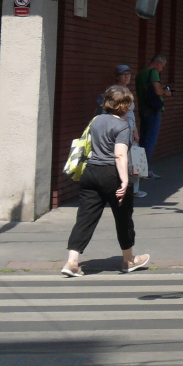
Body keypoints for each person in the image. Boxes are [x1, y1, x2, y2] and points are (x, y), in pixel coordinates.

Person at [62, 85, 149, 277]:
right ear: (124, 105)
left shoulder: (95, 121)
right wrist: (125, 181)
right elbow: (120, 155)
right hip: (112, 175)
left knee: (85, 218)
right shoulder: (122, 126)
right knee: (123, 218)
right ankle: (128, 260)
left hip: (90, 173)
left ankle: (72, 261)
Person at [103, 65, 145, 199]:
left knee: (133, 159)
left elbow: (132, 113)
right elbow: (108, 110)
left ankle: (133, 189)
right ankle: (121, 187)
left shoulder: (128, 91)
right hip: (120, 128)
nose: (127, 77)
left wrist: (136, 131)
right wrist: (121, 117)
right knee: (122, 157)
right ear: (117, 77)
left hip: (130, 127)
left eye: (129, 74)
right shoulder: (113, 90)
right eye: (124, 74)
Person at [136, 54, 170, 179]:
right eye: (162, 66)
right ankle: (147, 170)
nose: (161, 70)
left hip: (143, 109)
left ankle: (139, 168)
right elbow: (157, 91)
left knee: (143, 140)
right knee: (150, 141)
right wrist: (165, 92)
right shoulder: (153, 72)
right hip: (153, 110)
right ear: (157, 64)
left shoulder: (140, 74)